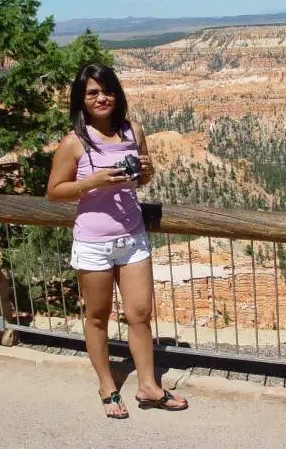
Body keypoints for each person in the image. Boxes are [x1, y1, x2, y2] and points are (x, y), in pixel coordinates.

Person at [47, 63, 188, 419]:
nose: (101, 98)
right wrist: (93, 182)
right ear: (81, 99)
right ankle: (107, 385)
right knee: (97, 317)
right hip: (94, 241)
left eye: (106, 90)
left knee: (140, 314)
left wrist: (147, 172)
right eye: (92, 92)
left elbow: (141, 179)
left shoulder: (132, 131)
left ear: (117, 94)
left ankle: (147, 385)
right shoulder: (74, 142)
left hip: (132, 236)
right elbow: (54, 192)